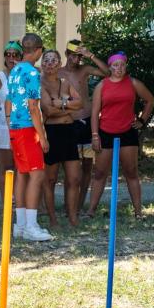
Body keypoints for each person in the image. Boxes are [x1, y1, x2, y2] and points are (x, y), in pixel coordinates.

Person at [87, 52, 154, 219]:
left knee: (131, 172)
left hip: (127, 133)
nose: (119, 68)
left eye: (122, 65)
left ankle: (138, 212)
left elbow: (150, 100)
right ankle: (90, 211)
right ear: (110, 67)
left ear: (125, 66)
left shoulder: (133, 83)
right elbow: (95, 113)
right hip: (105, 132)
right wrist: (95, 135)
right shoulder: (102, 85)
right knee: (100, 173)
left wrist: (142, 120)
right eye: (115, 65)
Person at [5, 33, 53, 241]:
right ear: (39, 50)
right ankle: (31, 226)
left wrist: (9, 123)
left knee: (22, 174)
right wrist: (42, 136)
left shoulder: (14, 70)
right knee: (37, 174)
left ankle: (21, 225)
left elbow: (8, 101)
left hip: (16, 128)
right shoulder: (33, 73)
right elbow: (34, 107)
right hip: (27, 129)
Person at [59, 40, 110, 211]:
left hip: (87, 122)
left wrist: (91, 56)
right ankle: (69, 204)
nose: (76, 59)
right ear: (66, 54)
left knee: (87, 165)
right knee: (70, 166)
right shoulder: (58, 72)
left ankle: (79, 204)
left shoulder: (85, 69)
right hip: (68, 123)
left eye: (79, 56)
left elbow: (108, 72)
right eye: (73, 55)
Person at [40, 50, 83, 227]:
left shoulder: (65, 83)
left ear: (59, 64)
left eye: (54, 60)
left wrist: (62, 104)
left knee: (74, 178)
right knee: (50, 179)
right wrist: (70, 109)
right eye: (47, 60)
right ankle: (53, 219)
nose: (50, 63)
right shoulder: (39, 83)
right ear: (42, 64)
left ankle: (72, 217)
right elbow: (48, 111)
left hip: (69, 132)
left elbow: (80, 103)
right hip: (51, 132)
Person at [0, 41, 21, 204]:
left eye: (15, 54)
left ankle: (20, 198)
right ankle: (6, 201)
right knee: (7, 166)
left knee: (21, 166)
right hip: (3, 124)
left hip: (22, 122)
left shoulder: (26, 73)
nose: (11, 57)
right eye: (8, 54)